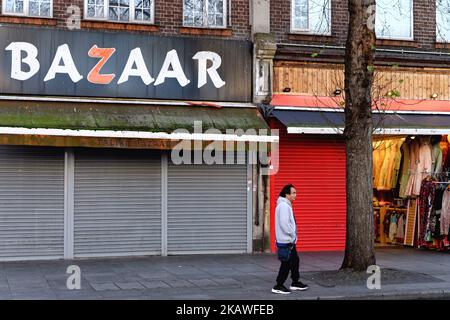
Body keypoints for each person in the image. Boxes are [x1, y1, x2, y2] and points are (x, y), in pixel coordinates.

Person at [272, 184, 309, 294]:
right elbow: (284, 224)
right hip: (286, 240)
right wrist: (292, 235)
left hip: (289, 240)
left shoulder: (286, 205)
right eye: (293, 193)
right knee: (286, 263)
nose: (295, 195)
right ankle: (278, 285)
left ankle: (295, 282)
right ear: (287, 194)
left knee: (294, 261)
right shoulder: (284, 206)